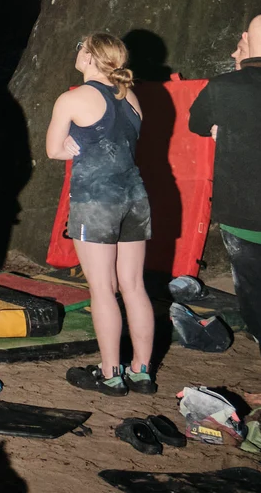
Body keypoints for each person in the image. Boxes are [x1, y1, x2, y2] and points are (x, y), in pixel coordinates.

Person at [48, 32, 158, 396]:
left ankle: (111, 374)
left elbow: (54, 150)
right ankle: (142, 371)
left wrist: (69, 147)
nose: (77, 51)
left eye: (81, 46)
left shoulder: (72, 99)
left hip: (96, 201)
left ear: (91, 57)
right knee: (134, 285)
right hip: (135, 198)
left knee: (101, 288)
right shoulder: (132, 99)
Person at [188, 14, 261, 358]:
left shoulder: (223, 87)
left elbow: (198, 123)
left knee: (255, 298)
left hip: (242, 214)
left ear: (246, 41)